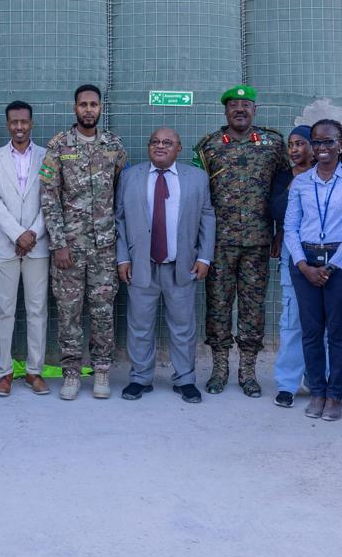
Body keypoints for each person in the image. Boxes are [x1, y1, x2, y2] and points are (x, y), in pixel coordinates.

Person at [193, 84, 289, 397]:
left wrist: (280, 230)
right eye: (233, 105)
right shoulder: (208, 146)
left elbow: (283, 190)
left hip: (258, 242)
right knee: (218, 307)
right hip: (219, 243)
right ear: (225, 111)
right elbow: (198, 195)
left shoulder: (273, 144)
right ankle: (219, 369)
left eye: (246, 105)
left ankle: (248, 371)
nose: (240, 110)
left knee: (253, 308)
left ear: (254, 110)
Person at [40, 84, 127, 401]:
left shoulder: (113, 146)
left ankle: (101, 371)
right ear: (74, 107)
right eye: (83, 104)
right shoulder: (58, 147)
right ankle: (71, 373)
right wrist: (59, 243)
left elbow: (118, 190)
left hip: (104, 247)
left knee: (103, 312)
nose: (88, 110)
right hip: (70, 248)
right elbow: (49, 197)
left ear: (101, 108)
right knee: (69, 313)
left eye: (93, 104)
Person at [116, 127, 214, 404]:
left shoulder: (197, 178)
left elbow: (207, 216)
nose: (160, 146)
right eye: (155, 142)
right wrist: (123, 258)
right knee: (139, 325)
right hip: (141, 265)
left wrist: (204, 257)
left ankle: (185, 380)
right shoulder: (130, 177)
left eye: (167, 143)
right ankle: (140, 378)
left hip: (181, 266)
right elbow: (119, 219)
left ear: (178, 149)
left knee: (183, 327)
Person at [283, 119, 342, 422]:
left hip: (341, 263)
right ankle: (317, 391)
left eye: (328, 141)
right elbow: (290, 227)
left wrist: (331, 266)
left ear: (340, 144)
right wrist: (303, 265)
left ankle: (335, 396)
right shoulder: (301, 183)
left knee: (337, 332)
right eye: (316, 142)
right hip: (304, 261)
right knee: (311, 331)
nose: (322, 148)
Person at [0, 101, 51, 397]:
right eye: (14, 122)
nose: (19, 127)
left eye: (24, 122)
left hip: (38, 245)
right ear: (7, 124)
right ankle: (4, 373)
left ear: (31, 123)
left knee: (37, 309)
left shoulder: (47, 157)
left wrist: (33, 233)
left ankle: (34, 371)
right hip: (4, 245)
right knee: (3, 311)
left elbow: (51, 199)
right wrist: (17, 234)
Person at [268, 125, 324, 408]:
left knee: (322, 323)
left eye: (300, 143)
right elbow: (276, 210)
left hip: (324, 253)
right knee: (291, 320)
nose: (294, 149)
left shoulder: (328, 175)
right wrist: (296, 181)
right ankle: (287, 384)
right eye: (291, 145)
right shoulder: (284, 177)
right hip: (293, 253)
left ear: (314, 146)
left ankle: (318, 381)